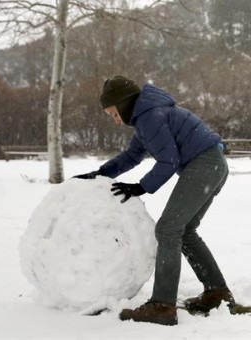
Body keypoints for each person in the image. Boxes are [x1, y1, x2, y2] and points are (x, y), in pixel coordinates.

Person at [74, 76, 234, 326]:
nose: (116, 121)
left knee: (168, 229)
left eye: (114, 114)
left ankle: (162, 305)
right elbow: (132, 155)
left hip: (205, 165)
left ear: (125, 104)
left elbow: (168, 160)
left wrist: (141, 187)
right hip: (213, 164)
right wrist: (101, 173)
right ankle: (216, 293)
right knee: (185, 231)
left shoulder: (151, 116)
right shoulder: (147, 116)